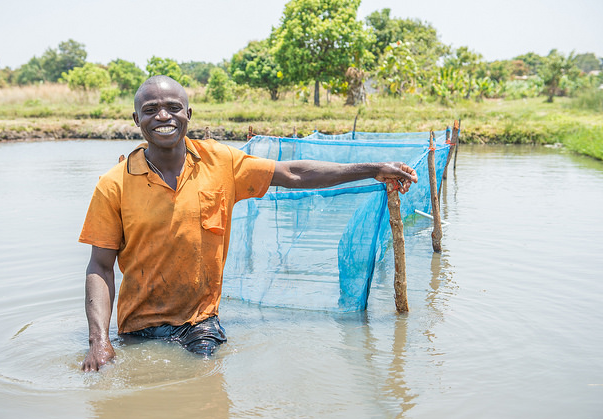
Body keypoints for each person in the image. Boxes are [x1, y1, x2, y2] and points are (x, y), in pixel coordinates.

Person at [79, 75, 417, 372]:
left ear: (188, 114)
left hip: (200, 325)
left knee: (202, 385)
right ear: (137, 118)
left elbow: (292, 173)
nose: (163, 116)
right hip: (137, 328)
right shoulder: (114, 184)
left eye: (173, 107)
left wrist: (372, 168)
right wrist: (99, 342)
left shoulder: (221, 163)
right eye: (151, 109)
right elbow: (100, 266)